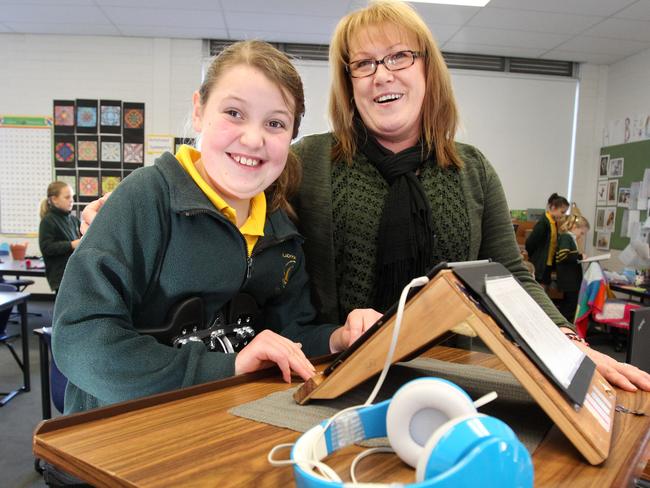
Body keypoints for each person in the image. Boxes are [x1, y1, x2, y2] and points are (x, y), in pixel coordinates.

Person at [83, 2, 650, 392]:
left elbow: (510, 278)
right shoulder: (308, 161)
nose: (382, 75)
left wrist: (568, 345)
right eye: (364, 63)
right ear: (349, 80)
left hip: (457, 375)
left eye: (399, 56)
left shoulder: (473, 169)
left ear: (428, 69)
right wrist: (127, 204)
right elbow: (233, 187)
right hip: (337, 375)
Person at [52, 40, 381, 414]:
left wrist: (338, 339)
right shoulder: (145, 199)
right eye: (234, 113)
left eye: (275, 123)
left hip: (219, 422)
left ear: (291, 138)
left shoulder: (281, 229)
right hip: (118, 433)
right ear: (198, 110)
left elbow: (292, 335)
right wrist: (226, 368)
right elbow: (81, 340)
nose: (253, 138)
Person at [38, 181, 81, 292]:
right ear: (54, 200)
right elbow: (46, 247)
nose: (72, 200)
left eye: (72, 196)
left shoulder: (73, 220)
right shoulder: (48, 221)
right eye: (67, 197)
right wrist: (71, 245)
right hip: (60, 276)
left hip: (74, 274)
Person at [525, 193, 569, 285]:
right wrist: (536, 256)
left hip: (548, 263)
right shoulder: (543, 223)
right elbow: (530, 243)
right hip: (540, 263)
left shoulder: (553, 222)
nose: (563, 215)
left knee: (545, 288)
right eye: (562, 212)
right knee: (539, 289)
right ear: (553, 207)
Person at [555, 212, 590, 322]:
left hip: (572, 279)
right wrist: (579, 256)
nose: (581, 235)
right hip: (569, 280)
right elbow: (563, 256)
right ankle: (563, 326)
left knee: (571, 305)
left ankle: (565, 325)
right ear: (575, 227)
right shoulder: (566, 237)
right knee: (570, 306)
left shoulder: (571, 239)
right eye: (581, 232)